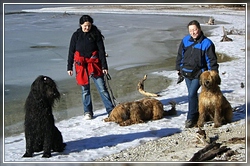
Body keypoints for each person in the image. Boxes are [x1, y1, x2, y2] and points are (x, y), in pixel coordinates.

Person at [67, 15, 114, 120]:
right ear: (81, 25)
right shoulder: (76, 35)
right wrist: (69, 67)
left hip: (94, 64)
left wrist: (104, 66)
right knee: (85, 90)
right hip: (81, 66)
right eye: (85, 26)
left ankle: (110, 110)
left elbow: (101, 51)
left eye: (89, 26)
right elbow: (71, 52)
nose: (87, 28)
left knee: (102, 88)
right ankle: (88, 112)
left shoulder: (96, 34)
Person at [176, 20, 219, 128]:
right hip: (186, 72)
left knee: (191, 94)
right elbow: (180, 55)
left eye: (195, 29)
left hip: (199, 74)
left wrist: (214, 74)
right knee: (192, 95)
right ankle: (199, 114)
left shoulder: (207, 43)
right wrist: (179, 68)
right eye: (191, 30)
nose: (193, 32)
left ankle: (191, 118)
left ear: (199, 29)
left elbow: (211, 61)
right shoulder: (185, 40)